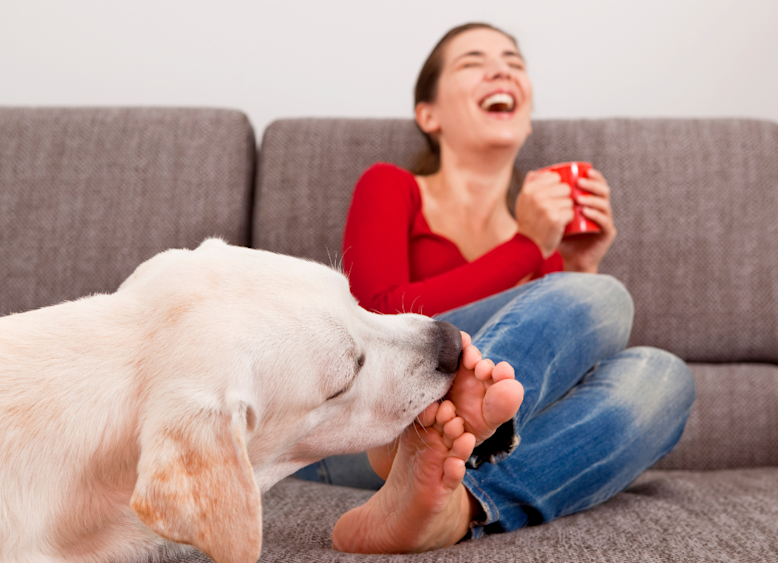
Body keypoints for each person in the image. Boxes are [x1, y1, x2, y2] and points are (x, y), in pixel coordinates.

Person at [296, 22, 696, 553]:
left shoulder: (545, 246)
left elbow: (567, 381)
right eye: (472, 61)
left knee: (662, 376)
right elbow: (374, 319)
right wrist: (530, 251)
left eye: (513, 59)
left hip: (455, 458)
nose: (501, 67)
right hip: (367, 432)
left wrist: (577, 264)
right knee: (603, 297)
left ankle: (463, 505)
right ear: (428, 115)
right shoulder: (391, 185)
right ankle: (416, 436)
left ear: (527, 117)